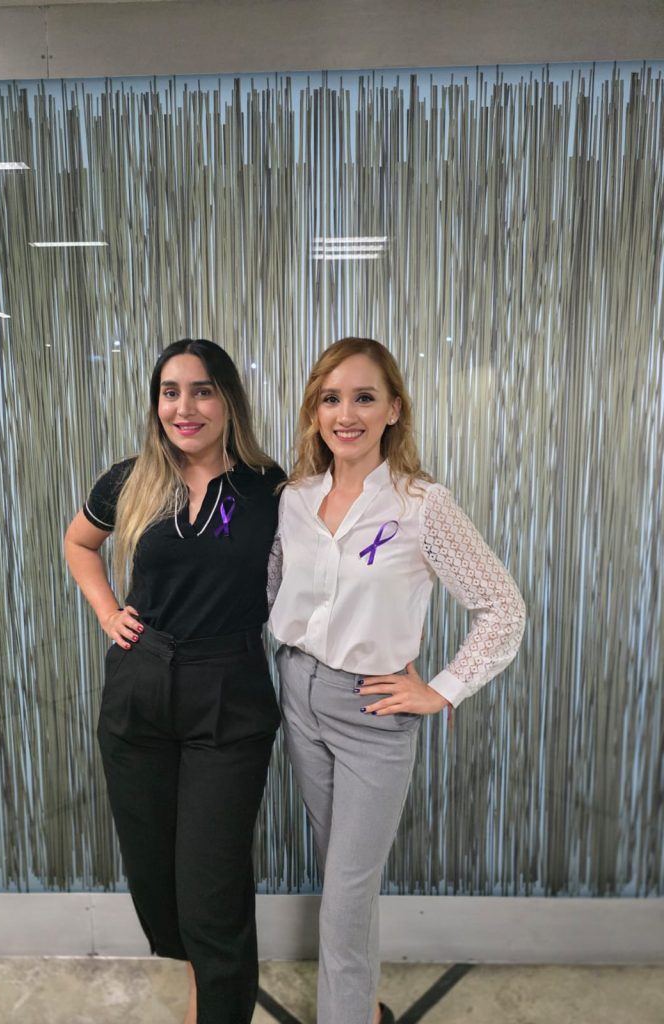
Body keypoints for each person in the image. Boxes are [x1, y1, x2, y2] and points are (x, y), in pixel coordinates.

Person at [268, 337, 526, 1024]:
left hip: (372, 711)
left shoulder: (421, 505)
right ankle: (360, 1009)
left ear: (394, 409)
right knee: (342, 877)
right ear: (314, 412)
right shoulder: (294, 500)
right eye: (330, 399)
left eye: (364, 397)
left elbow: (503, 607)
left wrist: (441, 689)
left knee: (347, 893)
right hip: (299, 695)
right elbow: (271, 592)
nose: (345, 414)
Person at [64, 338, 285, 1024]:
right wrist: (108, 612)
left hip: (228, 693)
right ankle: (200, 994)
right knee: (157, 881)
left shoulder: (268, 487)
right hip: (140, 690)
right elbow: (79, 543)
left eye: (202, 390)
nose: (184, 407)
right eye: (170, 391)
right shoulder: (130, 480)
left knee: (212, 891)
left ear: (229, 400)